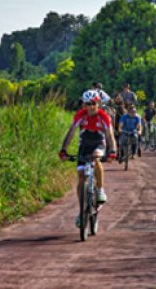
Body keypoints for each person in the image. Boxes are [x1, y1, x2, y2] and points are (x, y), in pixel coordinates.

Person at [59, 90, 117, 228]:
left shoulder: (104, 116)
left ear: (98, 103)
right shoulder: (81, 115)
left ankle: (100, 189)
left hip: (98, 144)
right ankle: (82, 211)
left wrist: (113, 151)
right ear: (84, 104)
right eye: (87, 104)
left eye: (93, 104)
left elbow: (110, 136)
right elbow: (71, 132)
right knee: (81, 177)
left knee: (96, 158)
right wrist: (63, 150)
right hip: (84, 146)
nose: (91, 107)